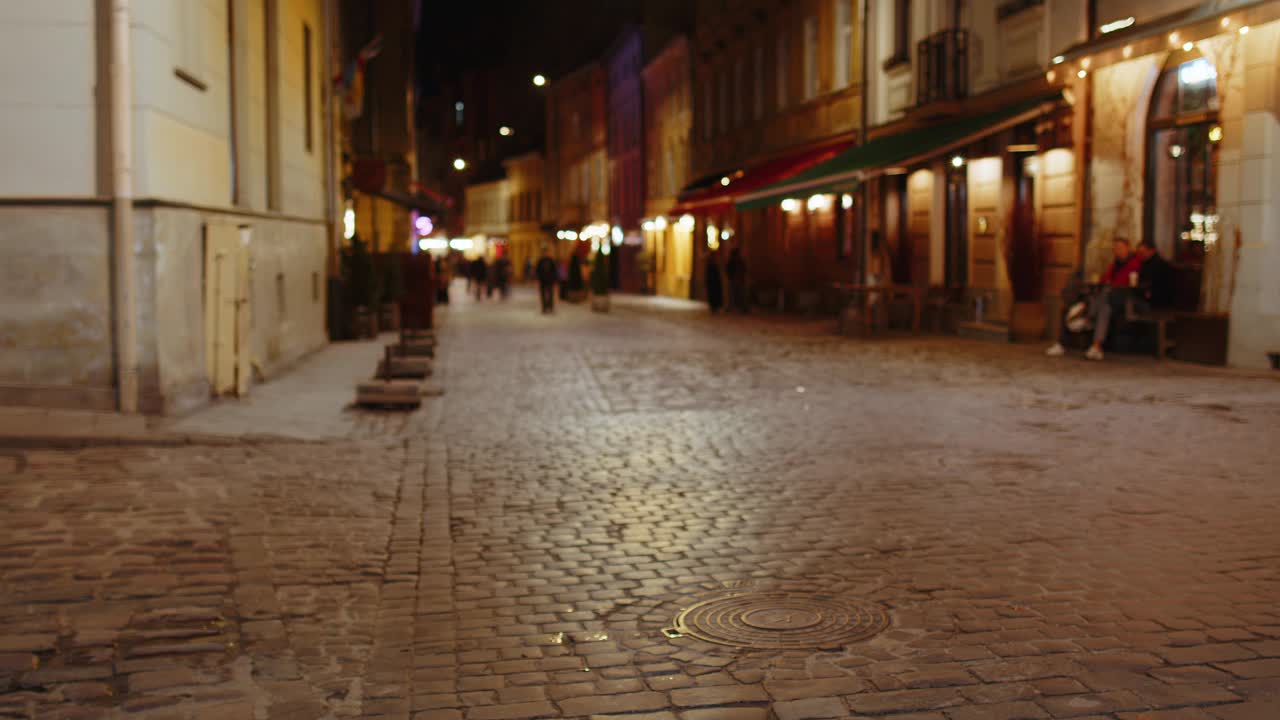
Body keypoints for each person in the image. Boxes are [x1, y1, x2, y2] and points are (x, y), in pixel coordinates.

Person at [1047, 237, 1143, 361]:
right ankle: (1094, 346)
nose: (1117, 251)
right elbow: (1105, 279)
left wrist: (1108, 284)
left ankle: (1088, 315)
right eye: (1115, 248)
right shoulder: (1115, 264)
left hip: (1123, 300)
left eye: (1119, 248)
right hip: (1106, 302)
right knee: (1100, 308)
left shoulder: (1134, 263)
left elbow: (1124, 284)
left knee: (1096, 301)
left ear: (1127, 248)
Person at [1136, 240, 1175, 310]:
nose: (1140, 255)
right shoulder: (1144, 263)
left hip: (1159, 301)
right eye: (1139, 253)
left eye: (1142, 252)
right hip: (1148, 297)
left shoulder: (1160, 265)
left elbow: (1160, 285)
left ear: (1152, 251)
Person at [726, 247, 748, 314]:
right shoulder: (731, 262)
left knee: (740, 294)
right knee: (733, 294)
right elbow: (728, 270)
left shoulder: (740, 261)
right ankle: (733, 307)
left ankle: (741, 307)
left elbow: (744, 269)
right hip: (733, 280)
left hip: (739, 280)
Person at [535, 247, 558, 314]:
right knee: (543, 295)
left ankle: (550, 307)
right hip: (542, 280)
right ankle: (544, 307)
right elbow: (538, 271)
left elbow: (554, 271)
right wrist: (538, 279)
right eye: (545, 252)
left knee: (550, 294)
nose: (546, 254)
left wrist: (554, 279)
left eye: (547, 252)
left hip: (550, 280)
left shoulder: (551, 260)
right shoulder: (540, 261)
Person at [704, 250, 724, 314]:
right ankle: (713, 307)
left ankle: (715, 307)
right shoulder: (710, 265)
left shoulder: (715, 265)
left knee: (715, 296)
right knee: (713, 296)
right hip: (712, 284)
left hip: (715, 283)